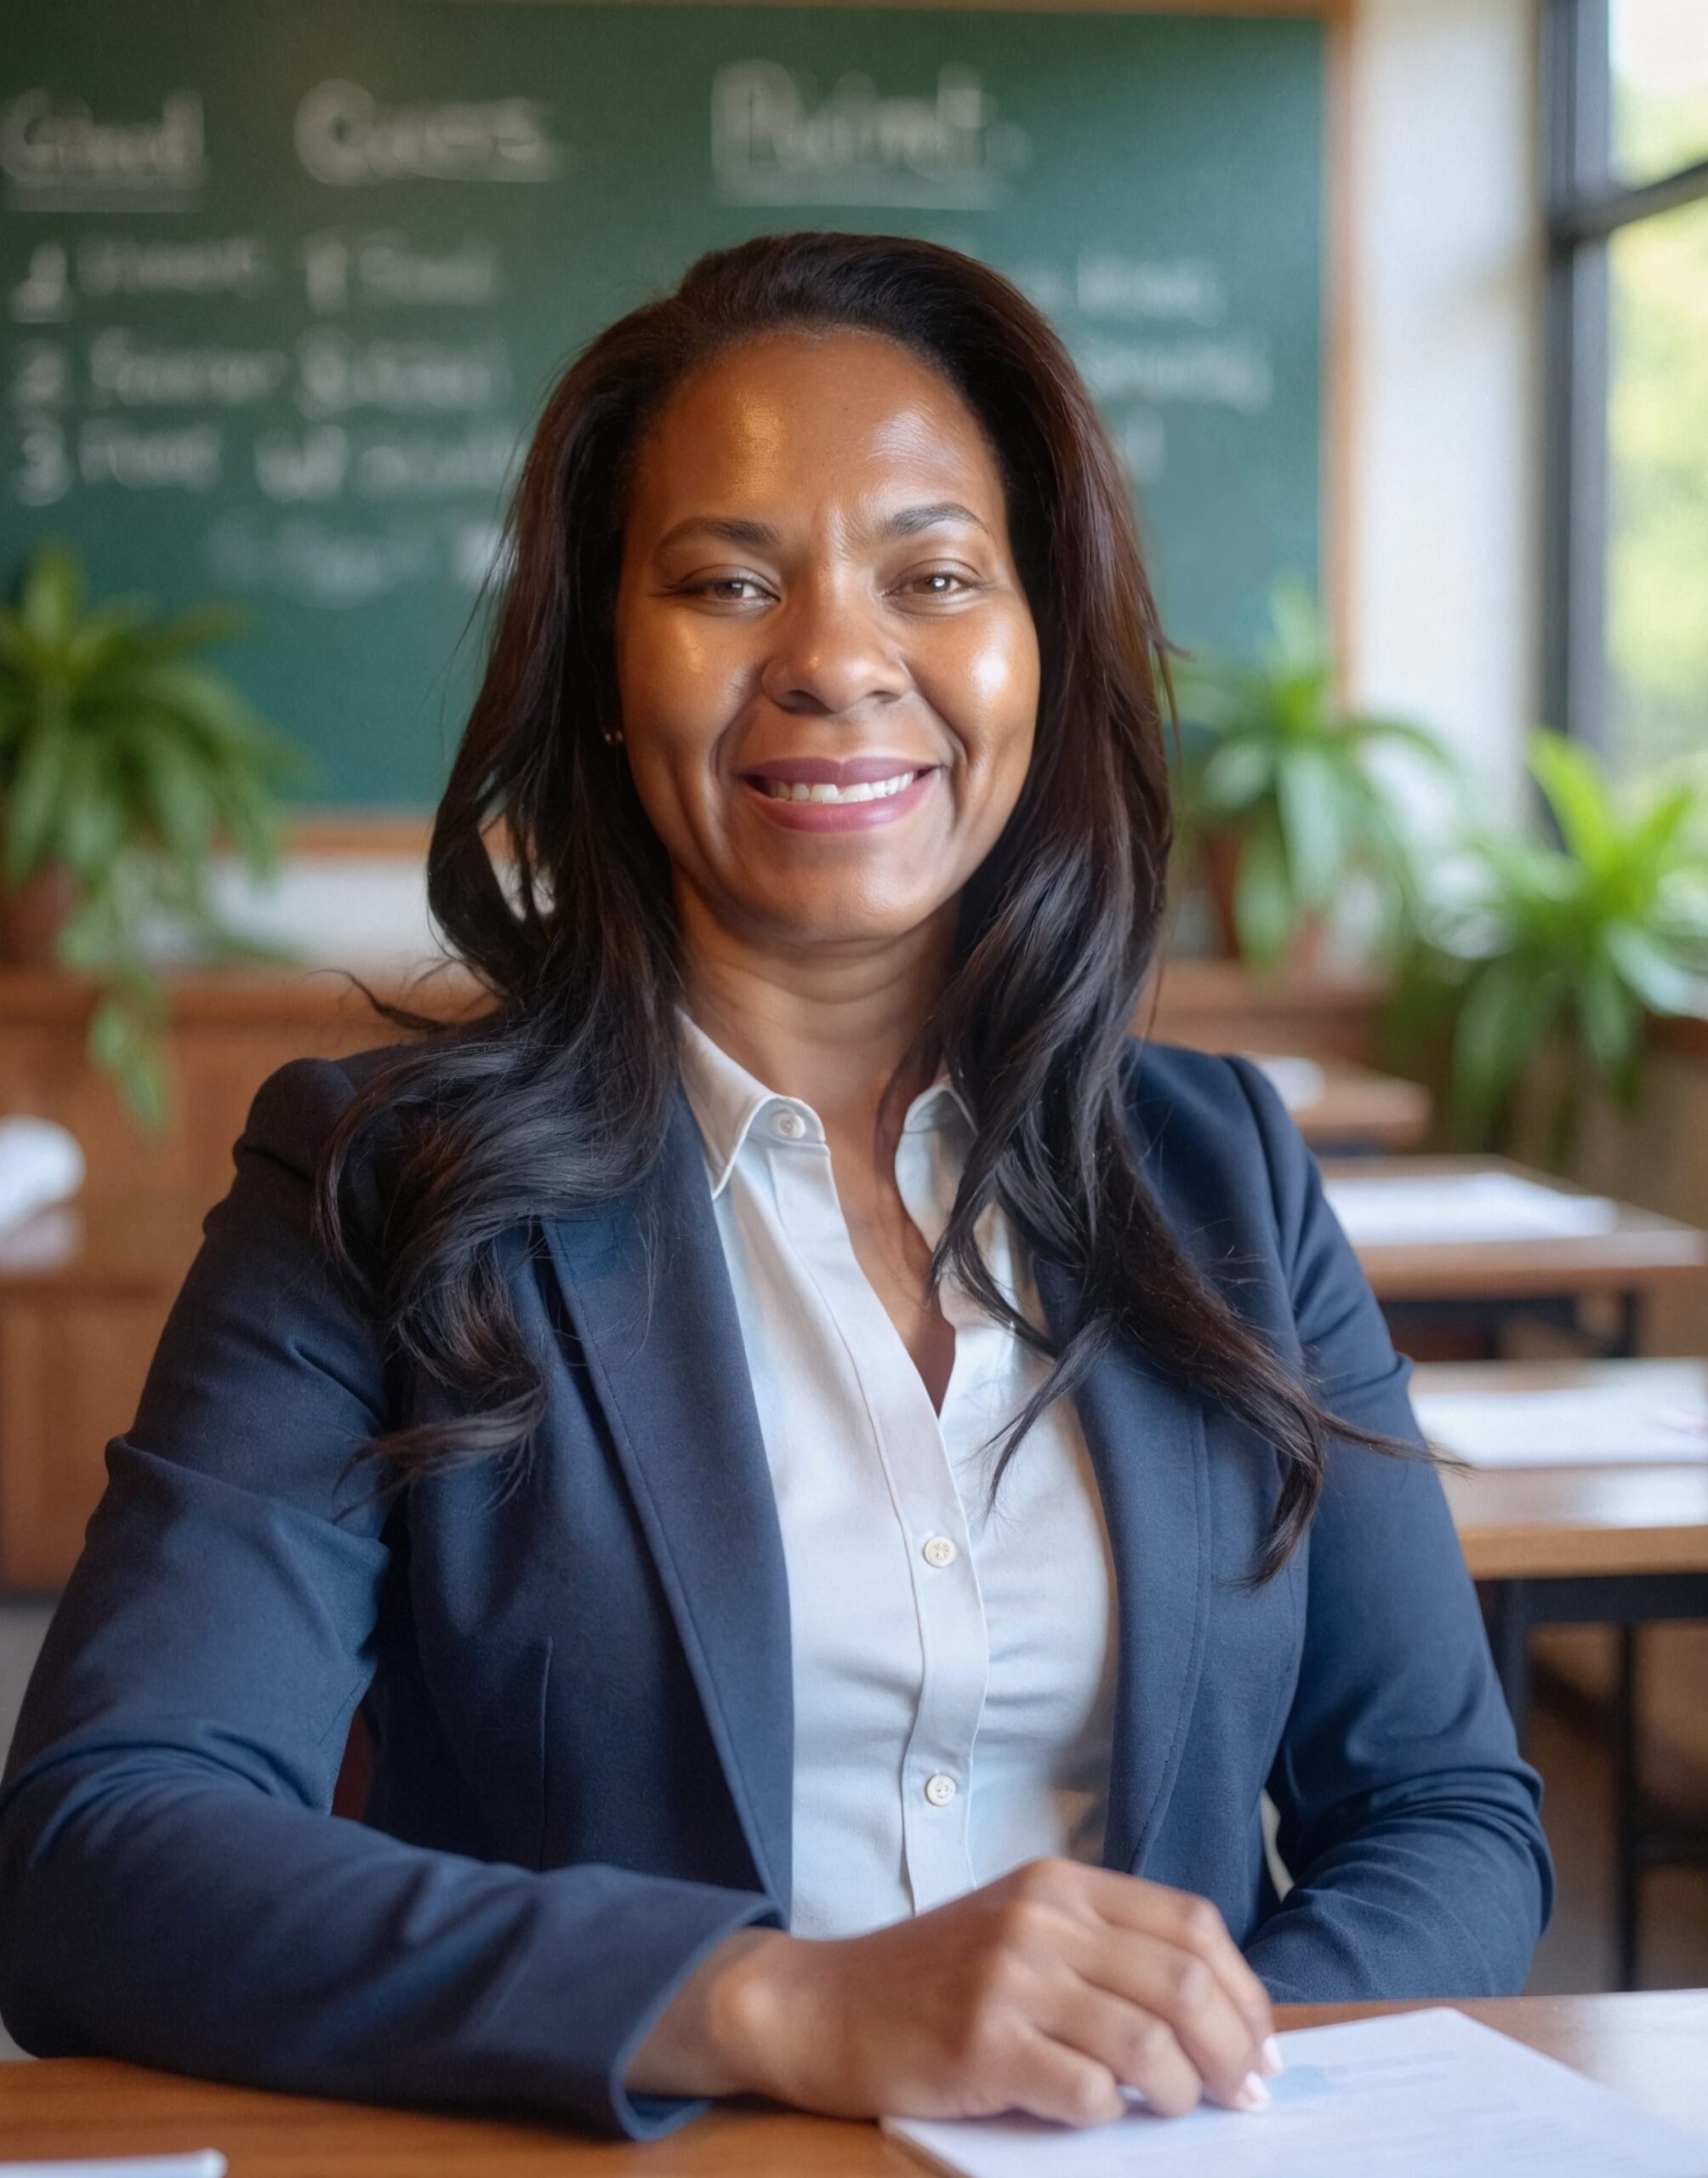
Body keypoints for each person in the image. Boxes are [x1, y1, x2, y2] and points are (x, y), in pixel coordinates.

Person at [0, 231, 1551, 2140]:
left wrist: (1169, 2060)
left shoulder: (1219, 1170)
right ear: (595, 668)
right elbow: (103, 1841)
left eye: (933, 574)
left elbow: (1443, 1817)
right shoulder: (379, 1182)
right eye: (726, 580)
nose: (830, 656)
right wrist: (770, 2003)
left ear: (1036, 651)